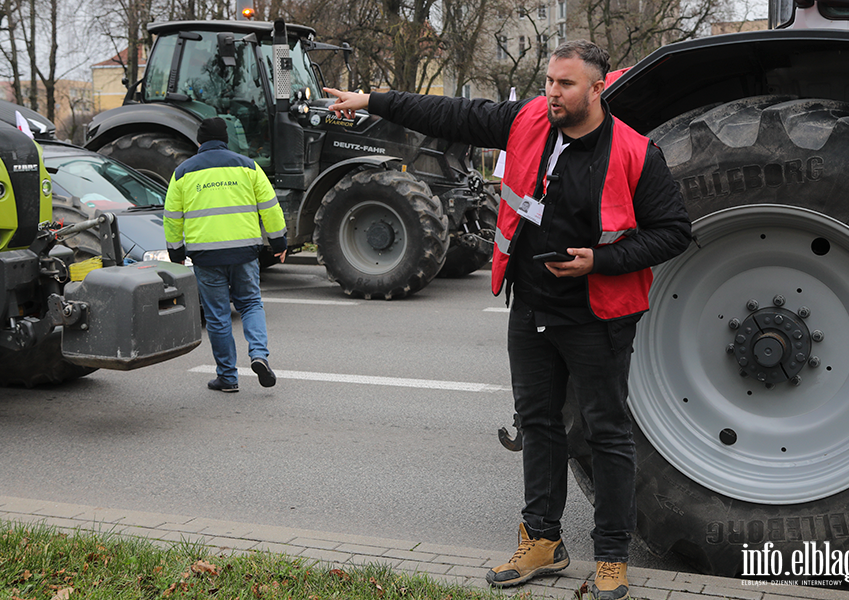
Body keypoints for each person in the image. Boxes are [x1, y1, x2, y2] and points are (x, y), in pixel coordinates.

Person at [325, 39, 691, 600]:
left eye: (565, 85)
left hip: (596, 317)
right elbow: (451, 113)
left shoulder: (636, 154)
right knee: (539, 426)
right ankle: (543, 542)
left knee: (606, 433)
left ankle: (611, 557)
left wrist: (602, 260)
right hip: (531, 308)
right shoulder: (528, 122)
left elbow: (673, 232)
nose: (551, 93)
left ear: (597, 89)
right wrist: (372, 99)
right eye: (548, 81)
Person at [164, 117, 288, 393]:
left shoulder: (183, 172)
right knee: (251, 305)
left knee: (218, 317)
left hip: (206, 257)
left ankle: (228, 378)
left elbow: (172, 218)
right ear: (226, 139)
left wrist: (176, 252)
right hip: (244, 252)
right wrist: (279, 242)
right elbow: (270, 206)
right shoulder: (247, 166)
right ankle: (259, 354)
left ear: (199, 141)